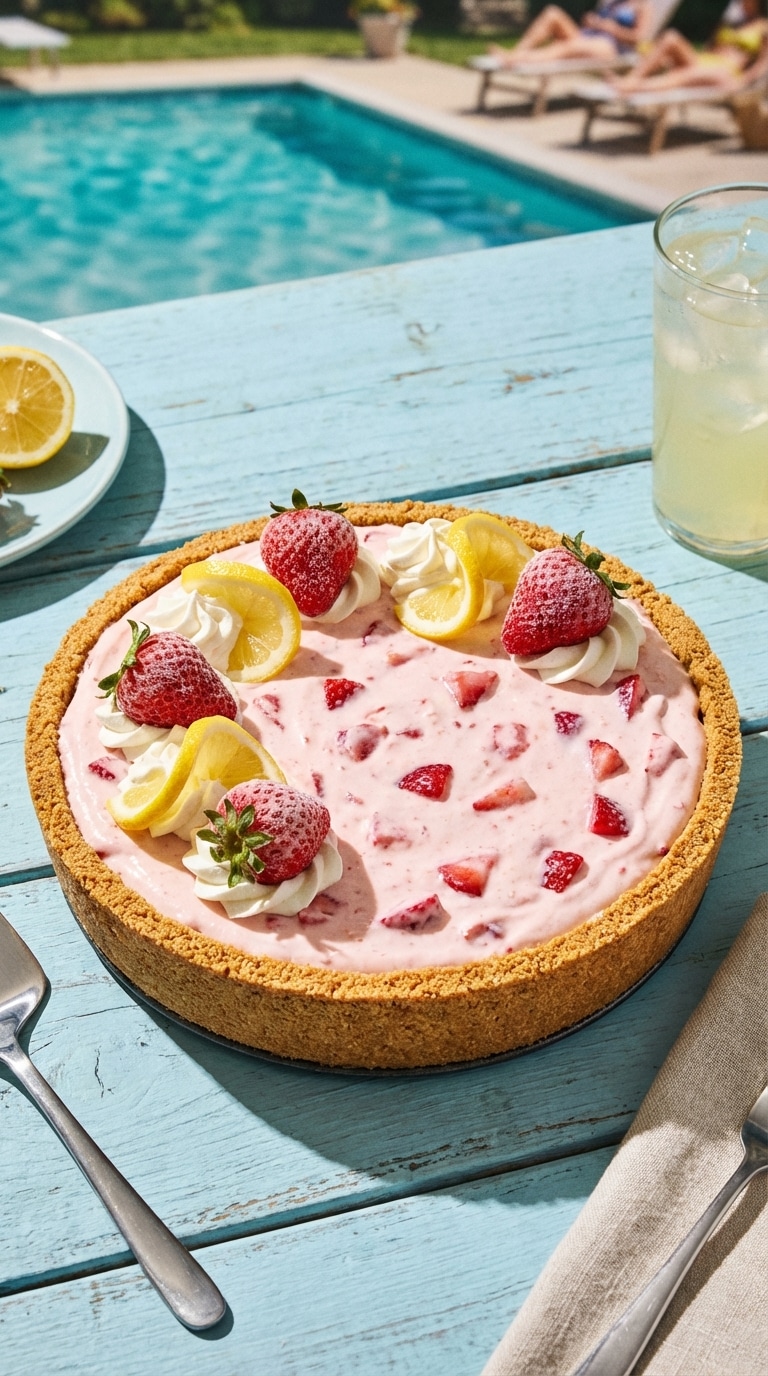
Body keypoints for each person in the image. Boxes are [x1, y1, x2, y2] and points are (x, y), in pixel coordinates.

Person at [611, 0, 768, 92]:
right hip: (707, 60)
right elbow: (711, 47)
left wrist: (746, 83)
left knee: (681, 76)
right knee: (671, 38)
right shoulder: (732, 23)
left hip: (728, 70)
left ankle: (635, 86)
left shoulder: (763, 27)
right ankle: (633, 78)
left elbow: (764, 62)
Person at [487, 1, 652, 68]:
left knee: (567, 46)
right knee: (552, 13)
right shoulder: (614, 2)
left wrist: (608, 28)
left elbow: (639, 38)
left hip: (611, 45)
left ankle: (516, 60)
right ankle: (518, 51)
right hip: (590, 36)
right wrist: (592, 21)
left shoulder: (642, 5)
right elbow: (596, 22)